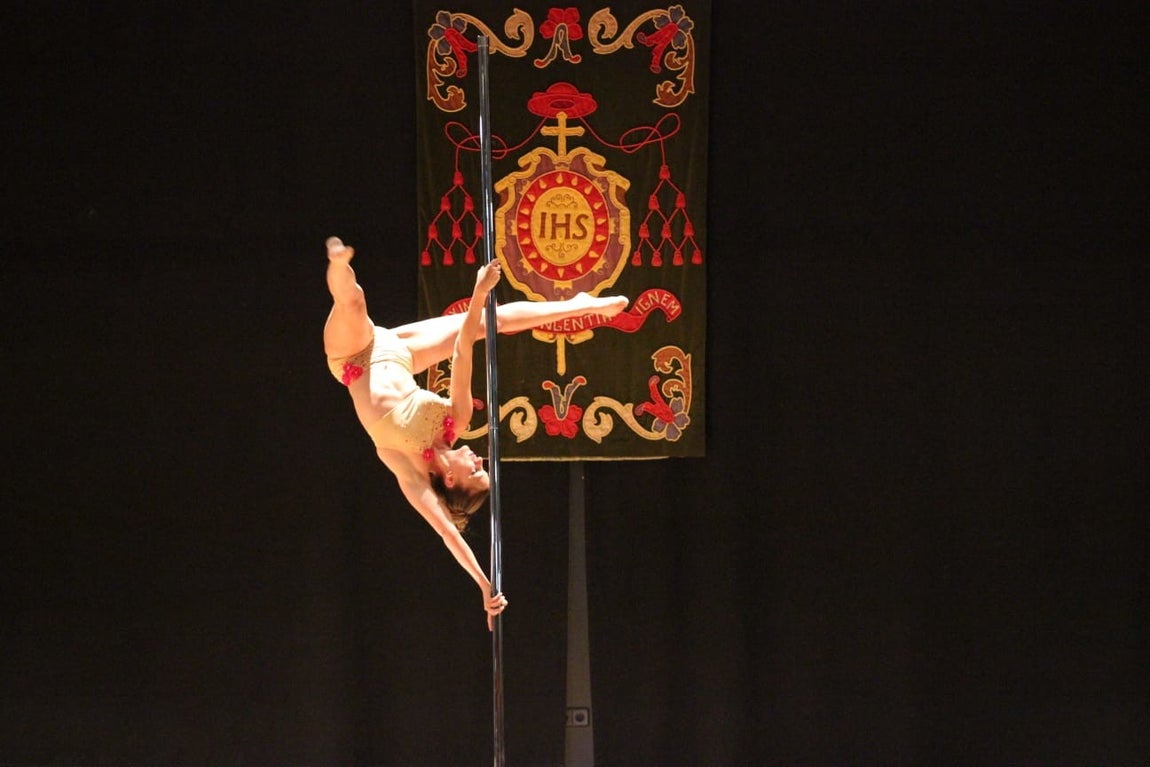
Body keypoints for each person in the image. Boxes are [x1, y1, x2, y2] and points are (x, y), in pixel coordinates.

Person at [323, 237, 628, 629]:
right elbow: (464, 347)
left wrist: (485, 587)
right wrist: (479, 292)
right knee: (492, 322)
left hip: (353, 356)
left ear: (450, 479)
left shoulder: (408, 470)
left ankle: (338, 260)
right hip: (399, 351)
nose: (479, 458)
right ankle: (581, 306)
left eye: (476, 470)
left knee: (353, 302)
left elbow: (449, 534)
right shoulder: (458, 419)